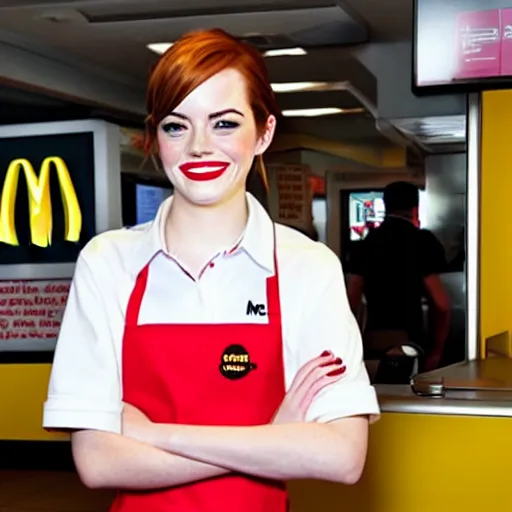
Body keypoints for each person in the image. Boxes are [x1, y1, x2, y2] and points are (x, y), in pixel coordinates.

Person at [43, 28, 379, 512]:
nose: (199, 146)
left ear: (263, 133)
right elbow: (98, 461)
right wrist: (272, 440)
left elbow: (342, 456)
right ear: (156, 137)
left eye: (224, 124)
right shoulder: (108, 262)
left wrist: (152, 433)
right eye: (176, 126)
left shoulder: (308, 267)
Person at [347, 181, 451, 373]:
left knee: (380, 397)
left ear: (385, 206)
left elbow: (351, 302)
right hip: (410, 341)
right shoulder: (422, 242)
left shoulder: (366, 244)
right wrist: (437, 350)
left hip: (373, 340)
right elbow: (441, 304)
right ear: (415, 209)